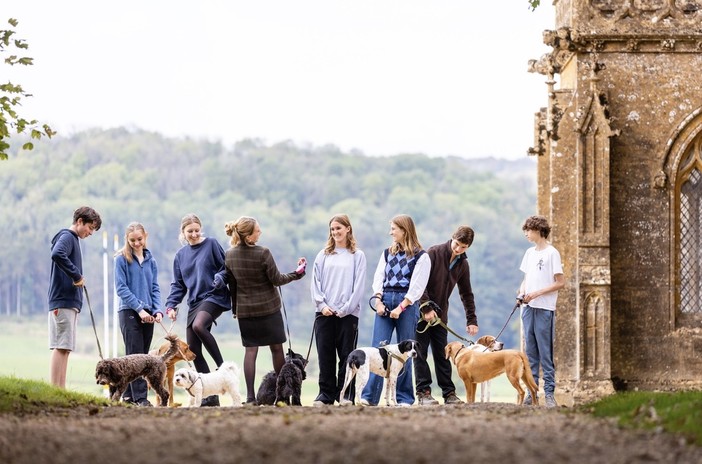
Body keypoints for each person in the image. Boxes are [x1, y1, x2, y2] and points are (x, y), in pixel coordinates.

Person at [221, 216, 306, 405]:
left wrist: (235, 310)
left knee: (250, 352)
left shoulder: (230, 255)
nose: (260, 232)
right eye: (257, 230)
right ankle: (282, 396)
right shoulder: (263, 253)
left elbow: (232, 286)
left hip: (245, 312)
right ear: (249, 237)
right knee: (277, 349)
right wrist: (297, 273)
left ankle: (250, 398)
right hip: (269, 309)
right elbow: (277, 280)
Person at [361, 214, 430, 407]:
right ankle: (369, 397)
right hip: (385, 299)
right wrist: (379, 301)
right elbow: (378, 278)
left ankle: (404, 398)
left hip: (406, 303)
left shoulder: (421, 257)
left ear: (404, 230)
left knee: (404, 351)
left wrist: (401, 307)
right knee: (377, 349)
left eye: (393, 229)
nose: (390, 232)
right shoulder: (387, 253)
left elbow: (417, 287)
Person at [165, 213, 231, 407]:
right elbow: (178, 285)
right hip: (194, 302)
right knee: (193, 351)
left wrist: (220, 278)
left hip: (214, 296)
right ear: (183, 233)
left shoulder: (211, 244)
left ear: (200, 229)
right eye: (189, 232)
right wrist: (171, 305)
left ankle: (223, 368)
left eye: (196, 230)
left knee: (199, 326)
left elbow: (226, 268)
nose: (194, 234)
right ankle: (211, 397)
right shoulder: (180, 256)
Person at [415, 225, 479, 406]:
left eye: (463, 247)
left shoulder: (463, 264)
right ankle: (423, 393)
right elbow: (420, 283)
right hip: (421, 314)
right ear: (452, 238)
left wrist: (471, 319)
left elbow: (466, 293)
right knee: (420, 353)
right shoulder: (433, 253)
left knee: (443, 355)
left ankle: (449, 393)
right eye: (457, 244)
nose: (458, 249)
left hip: (441, 317)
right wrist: (426, 308)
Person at [310, 214, 367, 406]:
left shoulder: (357, 256)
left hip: (348, 315)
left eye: (338, 228)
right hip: (324, 313)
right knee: (325, 355)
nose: (335, 232)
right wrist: (322, 305)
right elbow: (315, 283)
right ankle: (325, 394)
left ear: (348, 229)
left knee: (347, 356)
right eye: (332, 229)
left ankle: (345, 395)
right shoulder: (323, 255)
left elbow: (358, 286)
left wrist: (345, 309)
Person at [48, 206, 102, 388]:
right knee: (60, 345)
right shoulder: (67, 237)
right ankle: (56, 388)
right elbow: (57, 254)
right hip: (62, 300)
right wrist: (76, 275)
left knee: (66, 347)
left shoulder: (72, 239)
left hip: (69, 301)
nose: (91, 233)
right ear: (80, 221)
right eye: (90, 228)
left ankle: (60, 388)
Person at [518, 215, 565, 408]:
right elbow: (526, 279)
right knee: (530, 352)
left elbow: (560, 282)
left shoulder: (552, 253)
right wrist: (521, 292)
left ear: (538, 230)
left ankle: (549, 393)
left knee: (545, 352)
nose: (526, 234)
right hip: (528, 308)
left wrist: (536, 293)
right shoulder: (529, 253)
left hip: (545, 308)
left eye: (528, 230)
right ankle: (532, 392)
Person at [114, 222, 163, 406]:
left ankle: (127, 396)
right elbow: (121, 288)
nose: (136, 243)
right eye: (132, 240)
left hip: (149, 313)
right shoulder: (121, 259)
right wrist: (140, 309)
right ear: (127, 239)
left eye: (140, 239)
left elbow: (155, 288)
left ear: (146, 236)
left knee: (141, 354)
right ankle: (141, 398)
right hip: (129, 311)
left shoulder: (152, 261)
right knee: (135, 356)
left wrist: (157, 309)